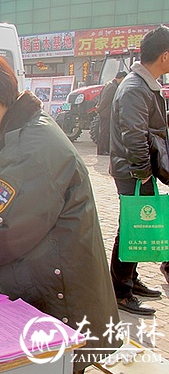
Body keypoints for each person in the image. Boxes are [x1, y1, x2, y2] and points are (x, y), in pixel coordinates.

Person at [0, 54, 120, 374]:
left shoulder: (31, 145)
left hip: (62, 294)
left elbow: (4, 228)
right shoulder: (27, 128)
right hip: (54, 276)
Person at [109, 26, 169, 315]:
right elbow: (133, 134)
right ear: (165, 56)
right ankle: (120, 290)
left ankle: (129, 279)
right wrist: (144, 172)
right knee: (132, 227)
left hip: (135, 170)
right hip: (133, 171)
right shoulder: (135, 88)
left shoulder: (143, 84)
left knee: (135, 226)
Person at [96, 71, 127, 155]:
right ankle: (102, 150)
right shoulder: (113, 87)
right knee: (105, 132)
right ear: (122, 78)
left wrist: (98, 107)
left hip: (103, 112)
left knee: (104, 131)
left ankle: (104, 149)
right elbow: (107, 100)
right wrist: (99, 108)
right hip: (107, 113)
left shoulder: (107, 84)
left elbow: (100, 97)